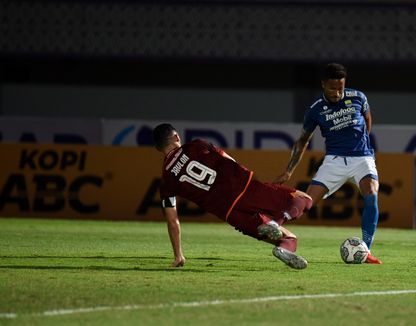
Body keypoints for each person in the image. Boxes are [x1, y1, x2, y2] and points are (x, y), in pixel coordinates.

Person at [153, 123, 313, 269]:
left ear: (158, 148)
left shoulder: (166, 181)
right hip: (247, 190)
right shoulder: (197, 145)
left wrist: (178, 255)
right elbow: (228, 159)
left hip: (230, 214)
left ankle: (281, 248)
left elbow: (172, 221)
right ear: (176, 137)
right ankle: (275, 223)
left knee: (289, 238)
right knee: (304, 199)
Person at [274, 63, 382, 264]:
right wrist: (288, 171)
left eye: (341, 88)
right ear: (323, 85)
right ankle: (272, 224)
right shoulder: (315, 110)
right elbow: (302, 142)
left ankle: (366, 251)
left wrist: (362, 146)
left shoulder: (358, 97)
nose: (337, 93)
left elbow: (367, 121)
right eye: (333, 88)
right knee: (306, 203)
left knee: (372, 197)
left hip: (362, 158)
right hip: (334, 161)